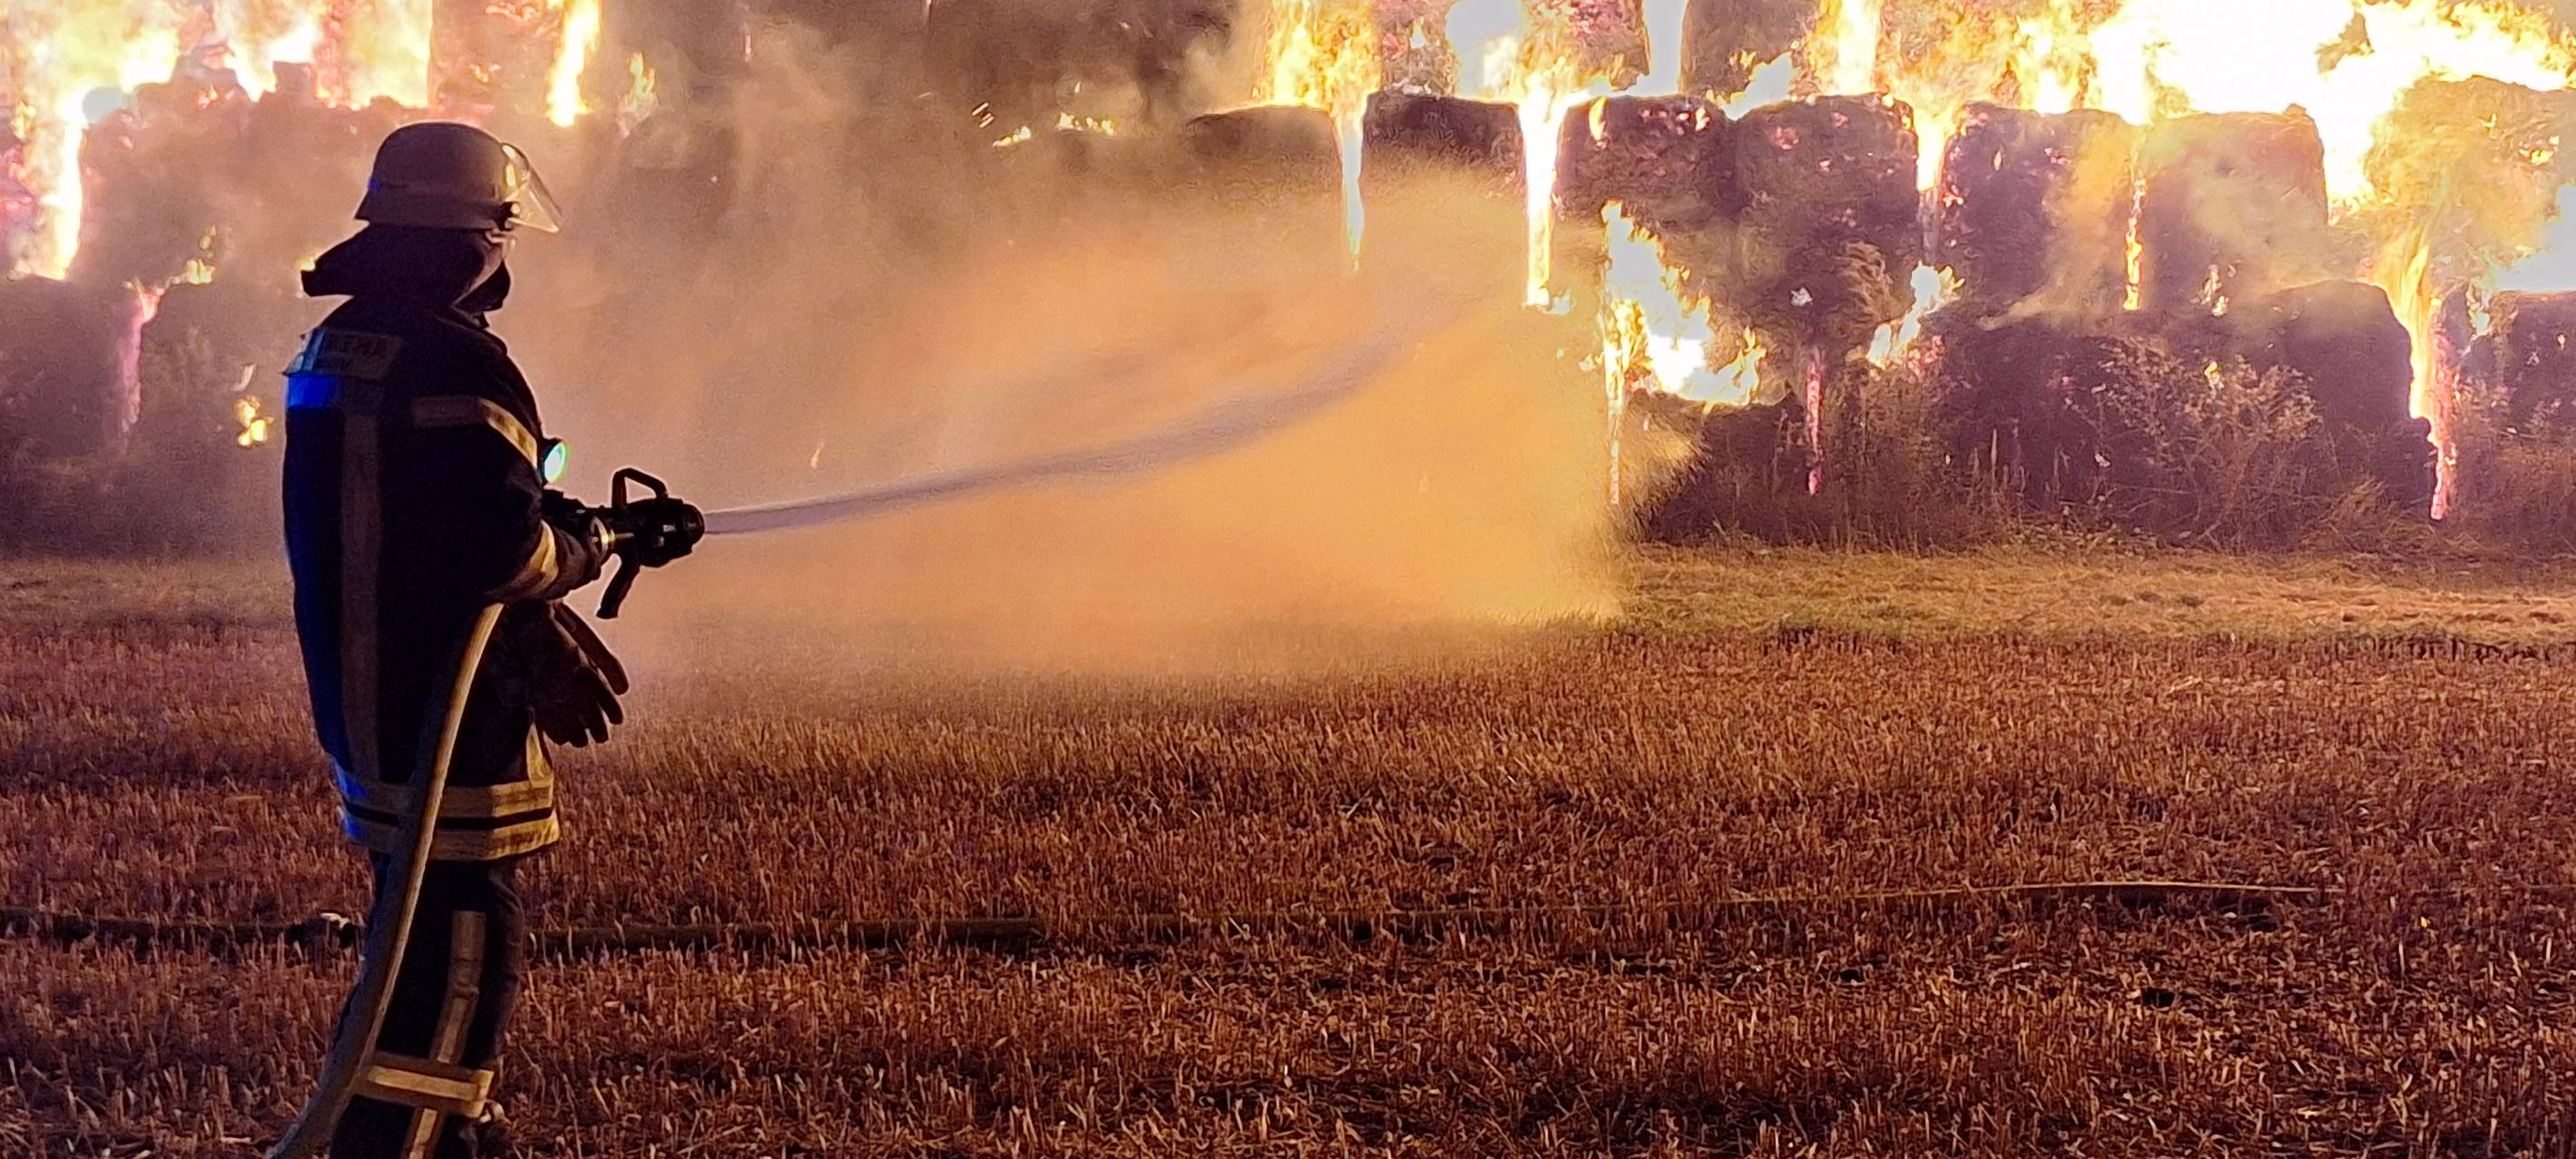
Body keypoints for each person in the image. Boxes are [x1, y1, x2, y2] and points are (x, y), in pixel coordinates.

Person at [282, 121, 630, 1158]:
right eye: (502, 233)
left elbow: (427, 521)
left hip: (365, 699)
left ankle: (388, 1130)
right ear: (475, 237)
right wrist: (588, 545)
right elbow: (500, 551)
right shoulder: (459, 357)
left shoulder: (336, 343)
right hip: (450, 713)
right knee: (458, 958)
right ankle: (416, 1141)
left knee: (407, 938)